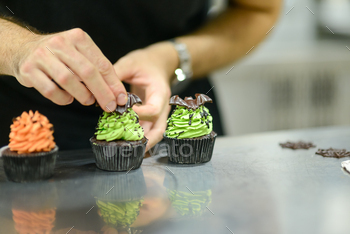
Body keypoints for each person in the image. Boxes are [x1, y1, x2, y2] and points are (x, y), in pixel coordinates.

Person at [0, 0, 281, 151]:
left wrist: (171, 57)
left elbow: (258, 10)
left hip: (172, 123)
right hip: (17, 124)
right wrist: (17, 48)